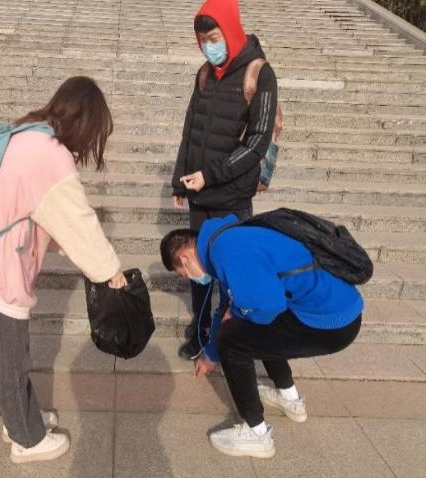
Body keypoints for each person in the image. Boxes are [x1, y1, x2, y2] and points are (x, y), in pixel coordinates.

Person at [0, 76, 127, 464]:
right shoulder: (51, 155)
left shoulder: (27, 132)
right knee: (12, 361)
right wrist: (109, 270)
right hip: (1, 273)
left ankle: (16, 418)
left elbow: (44, 213)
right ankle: (26, 439)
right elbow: (78, 221)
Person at [160, 214, 363, 458]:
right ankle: (289, 398)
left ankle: (256, 433)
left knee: (232, 338)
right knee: (252, 325)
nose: (191, 278)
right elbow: (227, 306)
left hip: (331, 323)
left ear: (185, 258)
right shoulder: (224, 239)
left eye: (183, 274)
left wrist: (232, 322)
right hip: (340, 308)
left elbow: (267, 306)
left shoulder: (228, 252)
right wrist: (210, 355)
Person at [171, 0, 279, 361]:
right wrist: (179, 181)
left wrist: (210, 175)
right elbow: (190, 129)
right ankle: (201, 330)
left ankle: (231, 336)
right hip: (199, 195)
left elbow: (257, 142)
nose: (208, 47)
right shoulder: (204, 74)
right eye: (202, 41)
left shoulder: (260, 74)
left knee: (234, 273)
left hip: (232, 195)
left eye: (214, 38)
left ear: (231, 31)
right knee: (197, 271)